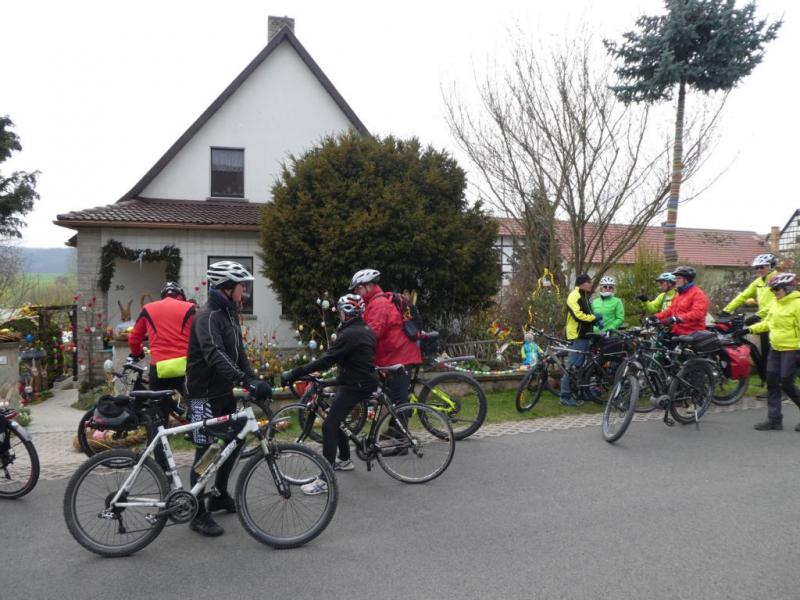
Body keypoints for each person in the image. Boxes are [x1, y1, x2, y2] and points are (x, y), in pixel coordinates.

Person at [185, 261, 271, 537]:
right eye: (241, 286)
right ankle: (197, 512)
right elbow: (214, 354)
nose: (244, 291)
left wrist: (253, 380)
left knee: (235, 441)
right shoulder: (207, 316)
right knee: (205, 452)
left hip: (222, 392)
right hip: (202, 394)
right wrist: (243, 380)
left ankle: (219, 494)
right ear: (227, 287)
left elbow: (238, 353)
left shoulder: (229, 314)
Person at [281, 294, 378, 494]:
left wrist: (295, 372)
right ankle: (345, 459)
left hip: (355, 385)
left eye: (341, 311)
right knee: (336, 418)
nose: (339, 315)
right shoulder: (363, 329)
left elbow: (328, 360)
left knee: (328, 426)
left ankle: (325, 480)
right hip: (356, 380)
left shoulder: (351, 333)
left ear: (347, 313)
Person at [348, 269, 422, 409]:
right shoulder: (372, 303)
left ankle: (401, 424)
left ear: (369, 286)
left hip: (400, 355)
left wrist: (354, 345)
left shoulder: (379, 304)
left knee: (399, 402)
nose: (356, 292)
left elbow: (373, 332)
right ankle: (395, 422)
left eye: (358, 288)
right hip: (392, 354)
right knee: (392, 399)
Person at [744, 273, 800, 431]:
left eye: (776, 289)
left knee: (786, 383)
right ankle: (774, 420)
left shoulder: (797, 304)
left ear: (787, 288)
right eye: (772, 289)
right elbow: (767, 323)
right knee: (772, 382)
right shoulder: (776, 303)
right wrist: (748, 329)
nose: (773, 292)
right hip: (775, 348)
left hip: (792, 349)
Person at [128, 281, 195, 401]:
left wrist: (137, 353)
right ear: (180, 295)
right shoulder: (190, 307)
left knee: (158, 408)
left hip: (159, 368)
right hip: (186, 367)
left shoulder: (148, 309)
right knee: (195, 405)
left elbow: (134, 340)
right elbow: (201, 335)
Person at [722, 253, 779, 368]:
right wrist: (726, 310)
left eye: (762, 267)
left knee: (775, 352)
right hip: (764, 321)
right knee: (765, 351)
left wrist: (758, 315)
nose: (759, 270)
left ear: (772, 266)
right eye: (757, 267)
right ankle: (766, 374)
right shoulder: (758, 281)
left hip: (776, 319)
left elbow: (776, 302)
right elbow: (743, 295)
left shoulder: (777, 280)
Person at [560, 273, 598, 407]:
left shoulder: (584, 296)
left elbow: (587, 314)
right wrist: (594, 318)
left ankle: (582, 392)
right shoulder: (574, 295)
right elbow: (578, 315)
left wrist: (595, 320)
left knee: (581, 367)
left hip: (585, 335)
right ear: (583, 283)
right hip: (577, 336)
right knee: (572, 367)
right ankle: (565, 395)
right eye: (589, 282)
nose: (591, 284)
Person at [650, 266, 708, 335]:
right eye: (676, 278)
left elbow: (698, 313)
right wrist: (656, 317)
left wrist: (677, 318)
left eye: (679, 278)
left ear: (686, 280)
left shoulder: (698, 294)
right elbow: (670, 310)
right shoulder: (679, 294)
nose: (676, 280)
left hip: (691, 334)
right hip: (677, 332)